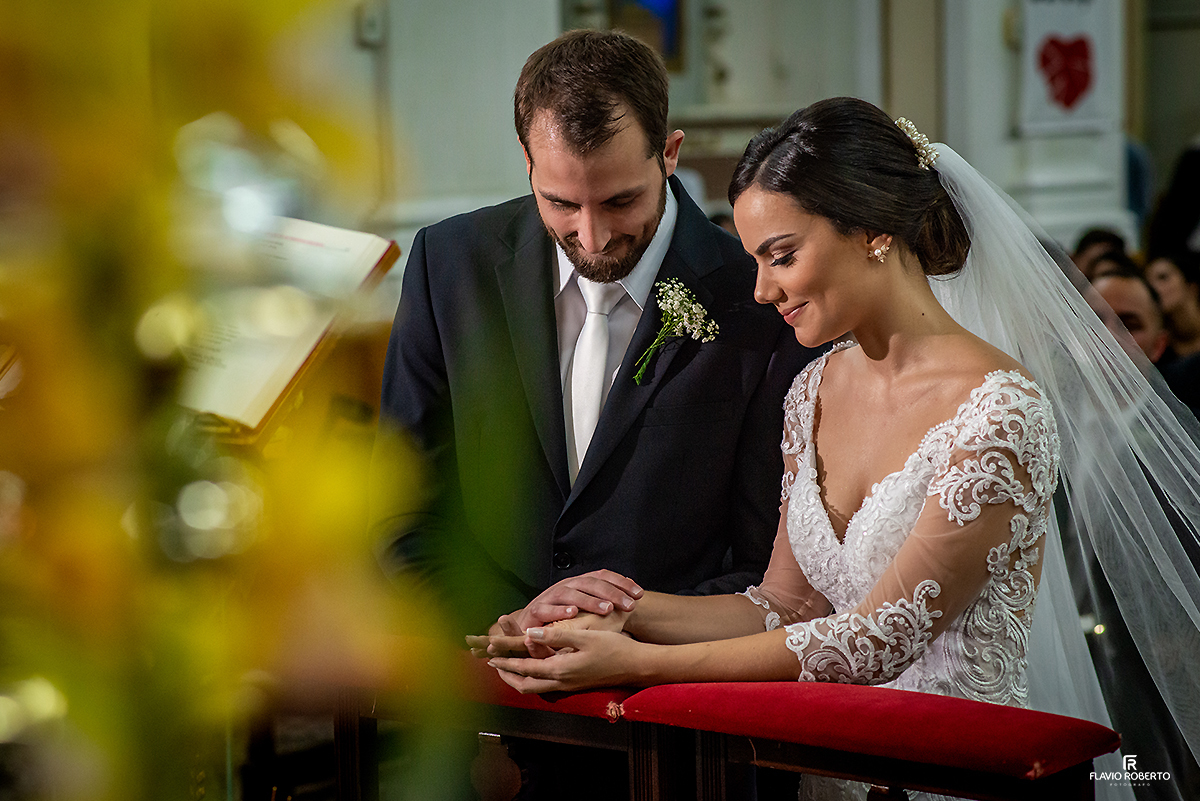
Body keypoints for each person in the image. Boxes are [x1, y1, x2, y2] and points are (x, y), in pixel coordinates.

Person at [475, 98, 1200, 801]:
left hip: (949, 775)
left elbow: (879, 638)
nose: (762, 290)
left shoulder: (1000, 410)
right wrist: (614, 611)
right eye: (755, 260)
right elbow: (785, 603)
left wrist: (638, 663)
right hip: (830, 775)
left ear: (872, 231)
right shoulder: (812, 388)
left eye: (782, 256)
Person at [1145, 251, 1200, 359]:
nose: (1154, 287)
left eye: (1163, 277)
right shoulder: (1158, 351)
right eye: (1148, 283)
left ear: (1191, 286)